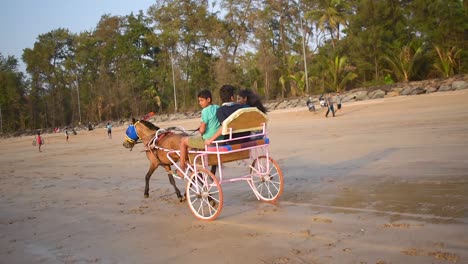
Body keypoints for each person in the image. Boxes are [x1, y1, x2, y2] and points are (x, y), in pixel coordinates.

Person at [177, 90, 221, 177]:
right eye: (199, 101)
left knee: (183, 141)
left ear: (208, 99)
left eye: (201, 100)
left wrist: (200, 130)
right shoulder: (217, 107)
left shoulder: (205, 111)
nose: (200, 103)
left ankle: (181, 168)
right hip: (219, 139)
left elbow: (202, 130)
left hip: (208, 140)